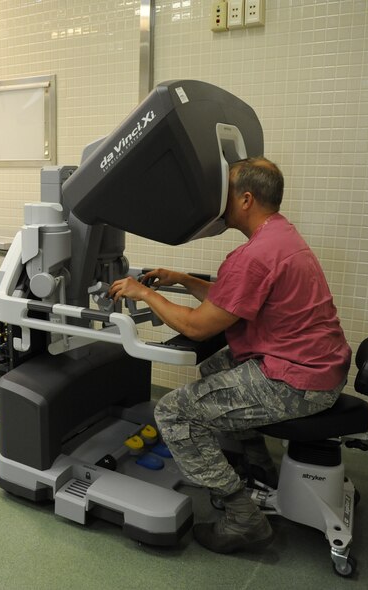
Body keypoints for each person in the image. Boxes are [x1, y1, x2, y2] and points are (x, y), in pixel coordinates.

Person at [108, 157, 351, 554]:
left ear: (246, 199)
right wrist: (181, 280)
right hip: (318, 364)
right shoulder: (281, 236)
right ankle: (256, 468)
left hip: (298, 380)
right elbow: (232, 300)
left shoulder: (254, 256)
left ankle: (243, 518)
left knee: (174, 411)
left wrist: (145, 293)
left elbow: (198, 327)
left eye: (226, 193)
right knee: (216, 368)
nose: (219, 203)